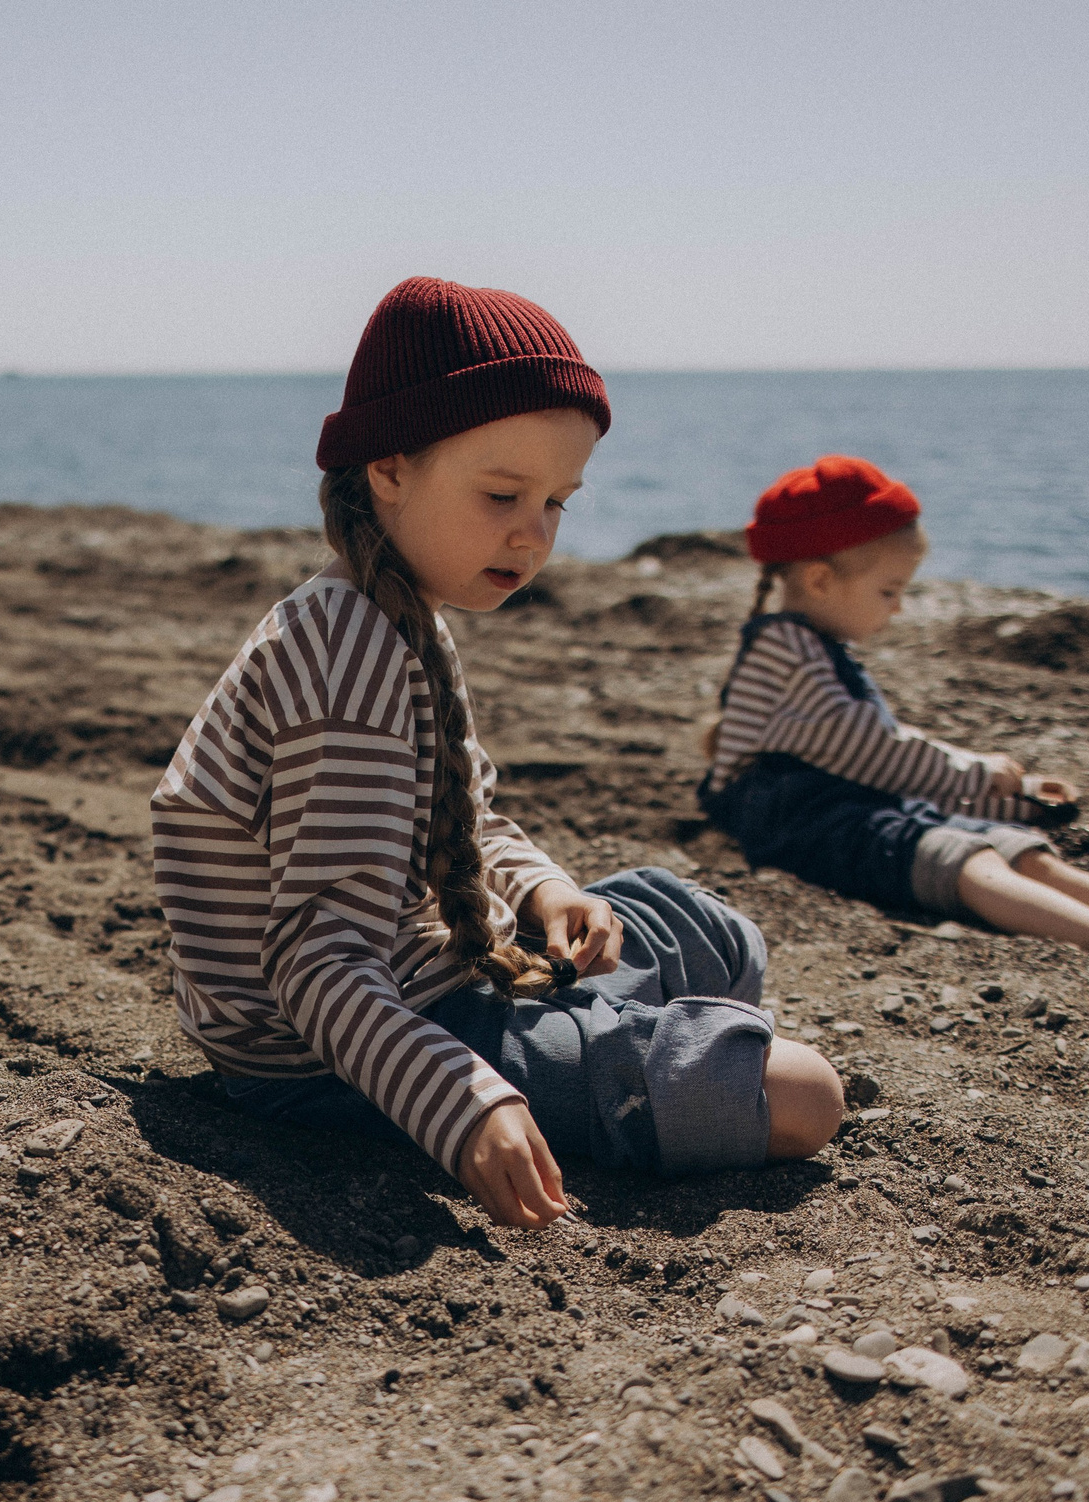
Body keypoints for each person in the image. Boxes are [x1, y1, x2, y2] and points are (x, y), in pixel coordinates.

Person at [151, 277, 840, 1229]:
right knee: (806, 1095)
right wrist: (468, 1103)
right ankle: (632, 1055)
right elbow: (316, 960)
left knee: (704, 929)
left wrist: (546, 891)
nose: (534, 531)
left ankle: (633, 1037)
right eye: (503, 494)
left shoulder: (397, 618)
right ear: (389, 468)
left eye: (558, 501)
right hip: (333, 1050)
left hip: (420, 975)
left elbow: (461, 821)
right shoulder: (346, 654)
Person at [700, 456, 1089, 970]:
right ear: (819, 580)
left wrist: (1015, 801)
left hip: (849, 806)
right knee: (965, 858)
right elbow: (873, 751)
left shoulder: (809, 646)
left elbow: (878, 764)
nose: (899, 609)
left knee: (1023, 851)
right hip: (800, 826)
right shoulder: (786, 648)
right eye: (889, 591)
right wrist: (983, 776)